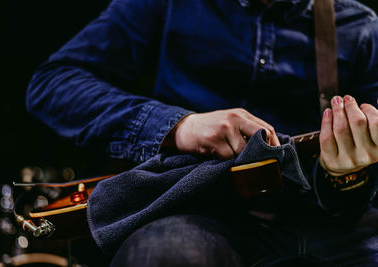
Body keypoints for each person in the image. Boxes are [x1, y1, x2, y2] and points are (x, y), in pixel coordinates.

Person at [27, 0, 378, 266]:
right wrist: (179, 126)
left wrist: (347, 177)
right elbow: (53, 84)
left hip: (319, 219)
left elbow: (358, 187)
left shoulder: (360, 28)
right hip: (191, 209)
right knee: (164, 255)